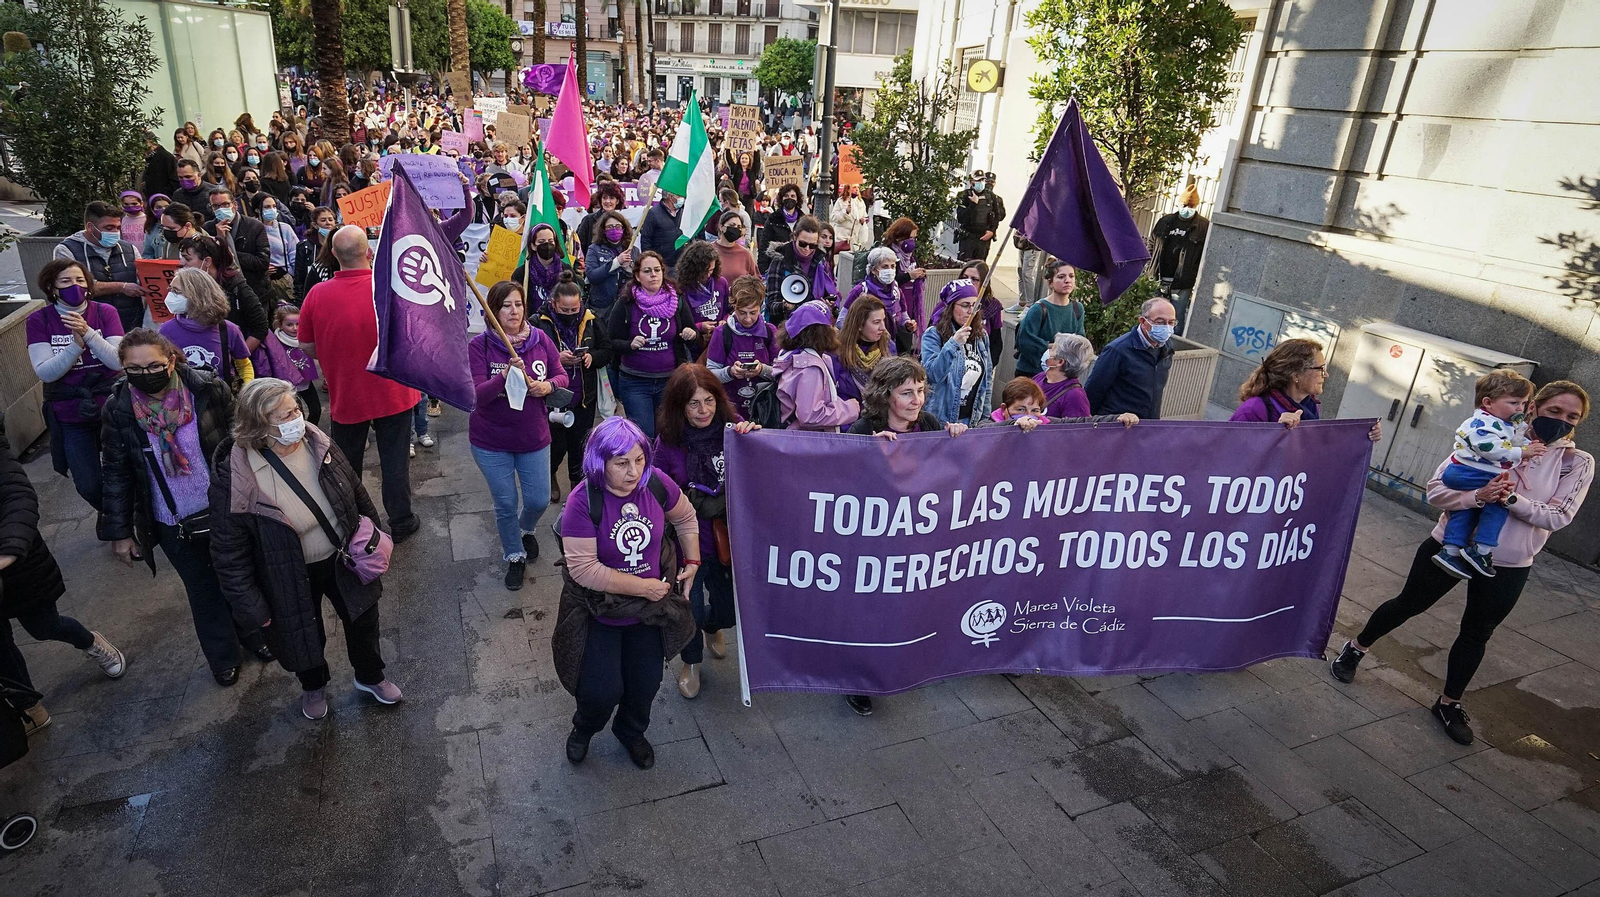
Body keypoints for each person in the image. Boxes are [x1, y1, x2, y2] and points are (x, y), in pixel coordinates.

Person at [1330, 381, 1593, 746]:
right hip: (1449, 545)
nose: (1562, 420)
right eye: (1554, 411)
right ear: (1533, 408)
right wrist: (1477, 496)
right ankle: (1356, 648)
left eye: (1572, 416)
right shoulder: (1491, 430)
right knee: (1409, 603)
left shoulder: (1575, 462)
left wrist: (1509, 498)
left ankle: (1449, 703)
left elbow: (1559, 515)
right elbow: (1437, 489)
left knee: (1476, 633)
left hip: (1509, 562)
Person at [210, 378, 402, 720]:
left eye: (295, 409)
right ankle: (313, 685)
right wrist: (252, 608)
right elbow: (229, 554)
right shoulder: (236, 476)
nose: (296, 419)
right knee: (302, 632)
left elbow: (355, 490)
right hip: (286, 571)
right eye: (283, 416)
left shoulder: (317, 441)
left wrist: (376, 535)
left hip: (342, 556)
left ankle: (371, 676)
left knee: (363, 619)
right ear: (257, 424)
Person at [98, 328, 270, 685]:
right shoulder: (118, 410)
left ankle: (256, 637)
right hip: (171, 519)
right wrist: (120, 533)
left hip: (227, 510)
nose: (146, 374)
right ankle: (223, 656)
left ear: (172, 360)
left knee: (241, 577)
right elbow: (116, 471)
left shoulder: (209, 391)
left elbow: (242, 446)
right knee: (203, 589)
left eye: (154, 365)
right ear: (123, 369)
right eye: (135, 369)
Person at [553, 417, 699, 769]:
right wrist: (644, 587)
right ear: (599, 462)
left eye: (639, 460)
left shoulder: (656, 484)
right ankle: (584, 729)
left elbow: (686, 516)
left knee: (645, 684)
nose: (634, 472)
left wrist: (692, 558)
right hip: (600, 612)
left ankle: (630, 732)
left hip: (647, 614)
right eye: (622, 463)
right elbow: (585, 570)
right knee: (599, 691)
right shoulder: (581, 502)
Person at [298, 226, 422, 543]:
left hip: (347, 394)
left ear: (334, 255)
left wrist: (333, 354)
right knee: (395, 463)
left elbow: (307, 345)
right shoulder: (392, 289)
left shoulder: (316, 295)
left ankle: (355, 522)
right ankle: (402, 520)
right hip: (394, 392)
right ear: (369, 252)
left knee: (347, 464)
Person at [653, 366, 758, 699]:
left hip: (728, 541)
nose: (703, 411)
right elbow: (654, 489)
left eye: (709, 401)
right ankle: (692, 662)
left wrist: (755, 438)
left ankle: (714, 627)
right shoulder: (669, 442)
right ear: (679, 405)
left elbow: (761, 469)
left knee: (728, 610)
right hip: (688, 544)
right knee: (690, 611)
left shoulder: (734, 431)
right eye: (694, 403)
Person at [469, 281, 568, 591]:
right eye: (505, 306)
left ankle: (526, 529)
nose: (513, 311)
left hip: (533, 437)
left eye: (518, 304)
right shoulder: (479, 347)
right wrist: (502, 376)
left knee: (538, 499)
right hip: (490, 441)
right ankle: (514, 554)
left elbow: (560, 374)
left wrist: (548, 386)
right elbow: (476, 396)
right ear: (492, 313)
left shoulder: (541, 340)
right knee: (505, 502)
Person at [28, 259, 125, 510]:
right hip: (70, 414)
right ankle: (109, 514)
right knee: (88, 483)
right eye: (66, 281)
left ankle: (123, 523)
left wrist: (89, 334)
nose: (75, 286)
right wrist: (75, 346)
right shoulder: (39, 320)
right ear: (52, 287)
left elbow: (117, 361)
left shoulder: (105, 312)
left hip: (110, 407)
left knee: (128, 472)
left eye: (80, 280)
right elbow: (46, 372)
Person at [1428, 370, 1545, 579]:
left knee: (1464, 512)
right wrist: (1523, 452)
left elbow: (1511, 441)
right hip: (1469, 472)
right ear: (1488, 402)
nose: (1520, 408)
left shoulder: (1502, 423)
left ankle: (1450, 551)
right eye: (1513, 403)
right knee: (1499, 506)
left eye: (1523, 403)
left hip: (1471, 473)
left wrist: (1527, 445)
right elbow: (1490, 448)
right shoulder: (1481, 422)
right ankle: (1481, 550)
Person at [535, 275, 612, 498]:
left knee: (581, 447)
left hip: (583, 398)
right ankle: (550, 475)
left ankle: (577, 490)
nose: (570, 315)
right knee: (556, 445)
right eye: (565, 310)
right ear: (554, 304)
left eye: (574, 310)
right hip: (553, 399)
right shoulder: (538, 322)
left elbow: (607, 349)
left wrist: (592, 358)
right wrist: (556, 358)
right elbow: (531, 356)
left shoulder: (590, 319)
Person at [605, 251, 695, 440]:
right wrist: (629, 344)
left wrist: (691, 334)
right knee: (644, 436)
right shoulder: (626, 303)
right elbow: (610, 342)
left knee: (668, 435)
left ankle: (662, 470)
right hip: (635, 382)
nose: (653, 275)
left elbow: (693, 335)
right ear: (637, 276)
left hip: (669, 381)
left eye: (657, 270)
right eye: (647, 271)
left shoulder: (677, 300)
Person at [53, 201, 146, 332]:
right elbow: (75, 288)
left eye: (118, 228)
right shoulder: (67, 250)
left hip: (130, 324)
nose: (115, 232)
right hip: (88, 326)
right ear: (90, 227)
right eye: (109, 228)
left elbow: (142, 280)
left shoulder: (129, 249)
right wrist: (122, 287)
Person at [1083, 296, 1177, 419]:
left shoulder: (1166, 347)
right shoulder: (1117, 350)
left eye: (1171, 322)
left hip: (1147, 426)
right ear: (1143, 322)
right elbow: (1093, 391)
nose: (1167, 327)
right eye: (1160, 322)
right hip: (1118, 425)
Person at [158, 268, 254, 387]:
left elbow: (244, 366)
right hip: (183, 401)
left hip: (220, 399)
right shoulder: (166, 331)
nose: (170, 295)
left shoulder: (229, 330)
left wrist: (246, 390)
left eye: (176, 291)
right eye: (170, 289)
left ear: (197, 296)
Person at [773, 300, 859, 432]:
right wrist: (850, 409)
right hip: (808, 445)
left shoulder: (789, 355)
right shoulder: (810, 368)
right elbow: (810, 416)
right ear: (823, 332)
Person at [704, 276, 779, 421]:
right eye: (742, 312)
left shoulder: (770, 332)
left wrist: (762, 370)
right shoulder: (722, 333)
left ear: (761, 307)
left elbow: (782, 373)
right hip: (730, 408)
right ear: (734, 307)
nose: (748, 319)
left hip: (763, 409)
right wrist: (730, 372)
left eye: (753, 312)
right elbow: (710, 375)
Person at [177, 232, 269, 350]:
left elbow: (260, 326)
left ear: (207, 261)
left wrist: (238, 358)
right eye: (181, 258)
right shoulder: (185, 287)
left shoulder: (237, 287)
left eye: (187, 258)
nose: (181, 263)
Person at [921, 281, 993, 427]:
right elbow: (932, 375)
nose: (971, 311)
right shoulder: (933, 335)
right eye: (965, 305)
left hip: (971, 420)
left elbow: (987, 380)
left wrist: (985, 418)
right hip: (941, 420)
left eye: (975, 305)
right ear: (951, 307)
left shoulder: (981, 336)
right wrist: (953, 344)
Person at [251, 304, 321, 425]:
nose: (295, 328)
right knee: (298, 415)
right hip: (288, 385)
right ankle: (300, 436)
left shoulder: (306, 337)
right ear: (280, 325)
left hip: (306, 381)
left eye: (298, 324)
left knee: (316, 410)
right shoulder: (275, 343)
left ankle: (309, 432)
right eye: (289, 324)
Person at [763, 216, 838, 329]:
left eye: (813, 245)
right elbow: (771, 304)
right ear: (794, 236)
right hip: (786, 327)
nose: (807, 249)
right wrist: (785, 306)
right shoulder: (780, 260)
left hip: (814, 326)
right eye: (803, 244)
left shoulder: (820, 261)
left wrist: (828, 303)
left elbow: (828, 291)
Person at [1014, 261, 1085, 379]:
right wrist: (1056, 347)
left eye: (1071, 276)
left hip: (1061, 375)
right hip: (1032, 374)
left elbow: (1079, 341)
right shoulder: (1039, 309)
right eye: (1061, 277)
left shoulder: (1078, 308)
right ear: (1050, 283)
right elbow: (1025, 341)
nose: (1067, 280)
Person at [205, 189, 273, 305]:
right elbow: (207, 263)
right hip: (223, 293)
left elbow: (262, 262)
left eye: (226, 204)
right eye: (216, 206)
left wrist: (229, 252)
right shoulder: (208, 229)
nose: (221, 209)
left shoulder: (254, 226)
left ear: (235, 205)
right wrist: (220, 239)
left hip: (255, 291)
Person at [833, 294, 895, 404]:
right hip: (848, 417)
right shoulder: (838, 351)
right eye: (876, 322)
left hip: (881, 415)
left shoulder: (889, 347)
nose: (883, 327)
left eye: (883, 320)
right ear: (859, 325)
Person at [674, 241, 728, 352]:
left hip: (719, 338)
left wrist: (725, 321)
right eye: (704, 271)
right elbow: (679, 323)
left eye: (711, 270)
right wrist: (699, 326)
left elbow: (729, 310)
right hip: (694, 342)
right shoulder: (682, 288)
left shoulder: (721, 282)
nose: (708, 275)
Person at [882, 217, 929, 334]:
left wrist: (920, 274)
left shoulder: (910, 255)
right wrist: (909, 276)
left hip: (910, 303)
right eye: (910, 238)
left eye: (914, 238)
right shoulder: (888, 254)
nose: (912, 242)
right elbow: (889, 280)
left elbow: (914, 268)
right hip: (894, 304)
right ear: (899, 237)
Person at [584, 209, 633, 312]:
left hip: (625, 306)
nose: (614, 229)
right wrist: (616, 263)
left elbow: (639, 279)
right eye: (610, 227)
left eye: (618, 226)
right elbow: (592, 276)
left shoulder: (632, 250)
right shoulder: (594, 249)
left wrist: (629, 269)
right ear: (603, 230)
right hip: (601, 307)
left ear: (624, 228)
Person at [257, 195, 298, 307]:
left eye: (274, 206)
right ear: (258, 210)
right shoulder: (252, 229)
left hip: (283, 280)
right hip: (261, 281)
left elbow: (294, 253)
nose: (271, 209)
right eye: (267, 207)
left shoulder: (285, 228)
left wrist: (290, 274)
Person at [955, 171, 1002, 262]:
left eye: (982, 179)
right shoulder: (964, 195)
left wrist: (992, 231)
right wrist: (973, 204)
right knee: (965, 265)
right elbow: (961, 218)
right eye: (978, 180)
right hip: (968, 238)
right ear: (971, 182)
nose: (981, 182)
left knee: (980, 267)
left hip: (984, 238)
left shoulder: (991, 196)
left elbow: (997, 216)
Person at [293, 206, 339, 299]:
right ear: (314, 225)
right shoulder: (304, 247)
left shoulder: (340, 245)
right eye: (323, 220)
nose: (328, 223)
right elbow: (299, 279)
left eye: (330, 219)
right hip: (313, 295)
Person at [639, 191, 686, 273]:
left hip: (682, 264)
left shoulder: (684, 212)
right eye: (679, 195)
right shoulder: (653, 213)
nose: (683, 198)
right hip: (662, 266)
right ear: (671, 197)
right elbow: (646, 239)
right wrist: (650, 262)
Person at [711, 210, 761, 281]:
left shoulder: (745, 254)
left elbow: (756, 280)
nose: (735, 229)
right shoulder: (709, 251)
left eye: (739, 227)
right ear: (721, 227)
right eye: (732, 225)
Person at [761, 184, 806, 256]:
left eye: (792, 196)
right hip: (778, 262)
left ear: (797, 199)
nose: (789, 198)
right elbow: (764, 246)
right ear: (782, 199)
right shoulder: (773, 219)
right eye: (786, 196)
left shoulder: (804, 220)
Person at [830, 184, 871, 253]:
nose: (857, 189)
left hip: (855, 240)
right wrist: (845, 212)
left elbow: (866, 217)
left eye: (858, 187)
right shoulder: (841, 201)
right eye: (854, 187)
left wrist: (863, 220)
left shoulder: (860, 201)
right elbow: (833, 217)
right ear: (848, 189)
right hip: (842, 238)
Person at [141, 194, 172, 259]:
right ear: (152, 210)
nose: (163, 209)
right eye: (159, 207)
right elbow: (147, 254)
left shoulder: (179, 227)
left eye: (166, 207)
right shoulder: (151, 229)